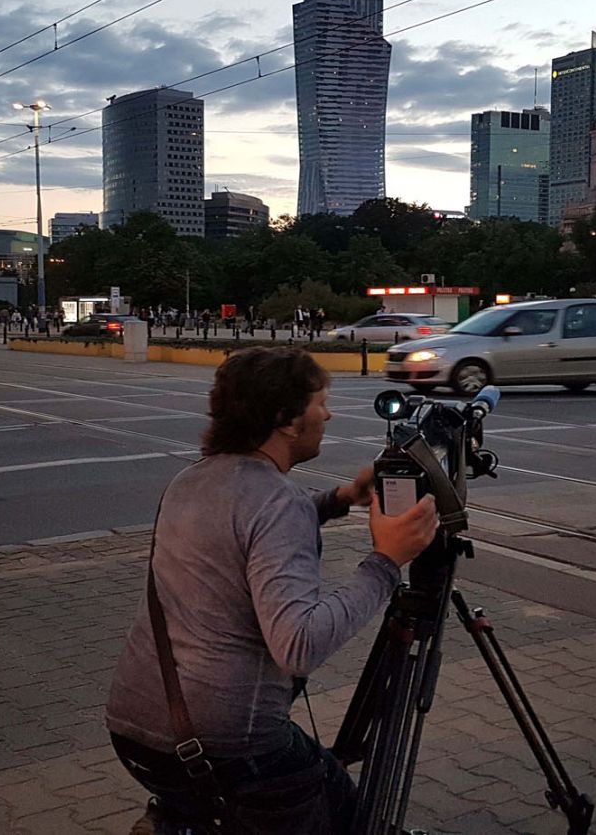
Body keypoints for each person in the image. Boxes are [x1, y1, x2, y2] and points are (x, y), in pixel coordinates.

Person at [106, 347, 437, 833]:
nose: (328, 415)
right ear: (286, 419)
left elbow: (245, 529)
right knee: (348, 815)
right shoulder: (279, 504)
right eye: (321, 402)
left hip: (135, 732)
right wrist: (386, 561)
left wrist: (339, 499)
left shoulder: (191, 479)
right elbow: (298, 646)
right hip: (229, 746)